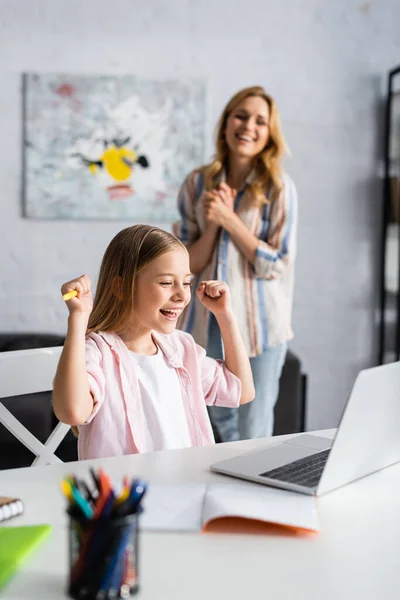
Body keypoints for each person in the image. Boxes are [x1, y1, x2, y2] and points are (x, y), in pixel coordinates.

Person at [52, 224, 255, 460]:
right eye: (167, 283)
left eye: (187, 283)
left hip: (188, 486)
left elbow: (242, 392)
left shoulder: (181, 348)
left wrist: (225, 315)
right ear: (121, 287)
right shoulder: (98, 352)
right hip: (129, 495)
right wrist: (78, 318)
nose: (181, 295)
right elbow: (73, 412)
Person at [174, 86, 297, 442]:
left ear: (269, 133)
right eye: (241, 115)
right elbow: (187, 265)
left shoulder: (279, 188)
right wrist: (213, 225)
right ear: (226, 123)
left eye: (261, 120)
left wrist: (230, 219)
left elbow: (275, 265)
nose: (249, 126)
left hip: (260, 328)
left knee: (253, 429)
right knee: (218, 423)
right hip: (202, 324)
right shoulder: (197, 184)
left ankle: (255, 494)